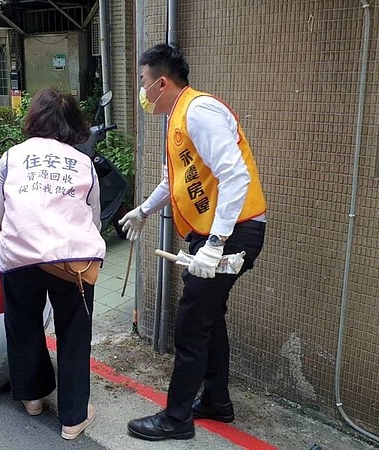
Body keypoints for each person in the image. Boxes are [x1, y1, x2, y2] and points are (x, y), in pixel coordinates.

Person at [120, 44, 267, 441]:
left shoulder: (199, 111)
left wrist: (217, 243)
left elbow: (234, 176)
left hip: (233, 232)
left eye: (143, 81)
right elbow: (176, 181)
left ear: (162, 82)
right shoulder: (177, 116)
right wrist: (144, 211)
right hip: (216, 233)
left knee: (190, 323)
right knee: (207, 316)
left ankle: (177, 418)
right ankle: (216, 401)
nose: (142, 89)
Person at [0, 87, 105, 440]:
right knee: (74, 335)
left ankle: (33, 397)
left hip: (19, 259)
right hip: (71, 265)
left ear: (34, 118)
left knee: (23, 327)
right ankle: (72, 418)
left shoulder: (11, 158)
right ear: (72, 124)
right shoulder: (83, 163)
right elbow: (93, 220)